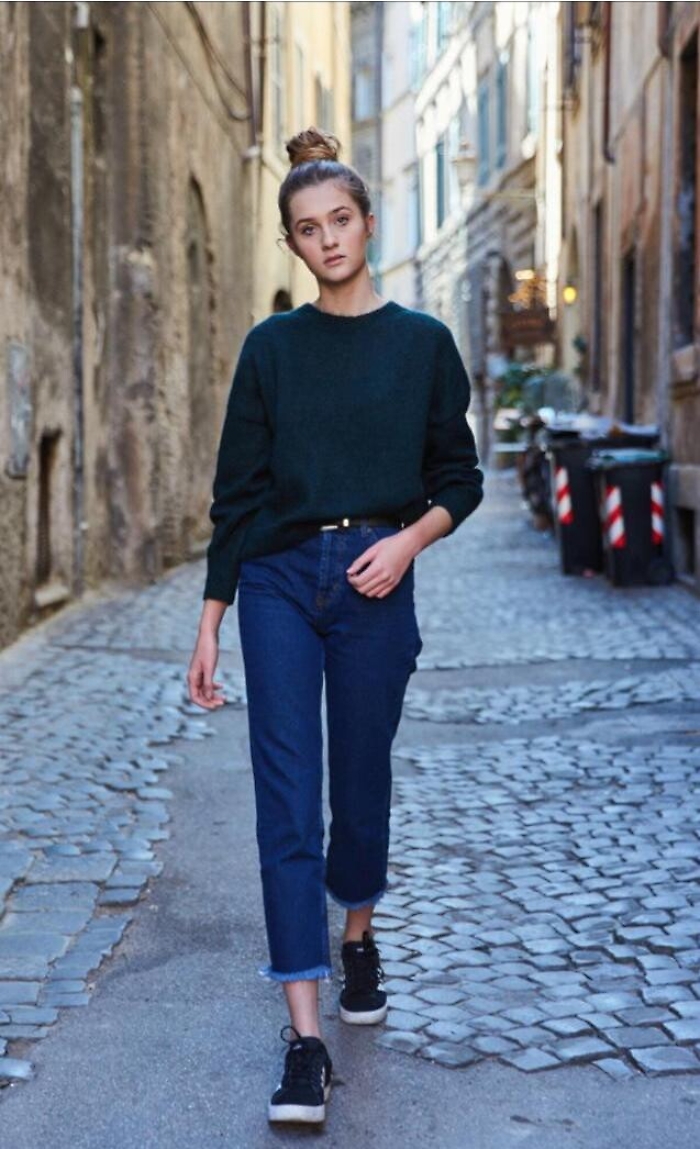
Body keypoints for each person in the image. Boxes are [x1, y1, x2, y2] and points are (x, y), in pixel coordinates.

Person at [187, 126, 484, 1126]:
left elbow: (459, 479)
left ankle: (358, 935)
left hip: (373, 584)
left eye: (341, 220)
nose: (328, 239)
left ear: (367, 221)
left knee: (358, 788)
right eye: (308, 228)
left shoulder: (423, 345)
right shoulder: (270, 350)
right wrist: (210, 621)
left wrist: (407, 542)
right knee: (286, 803)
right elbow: (237, 497)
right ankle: (306, 1041)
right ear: (292, 243)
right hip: (276, 582)